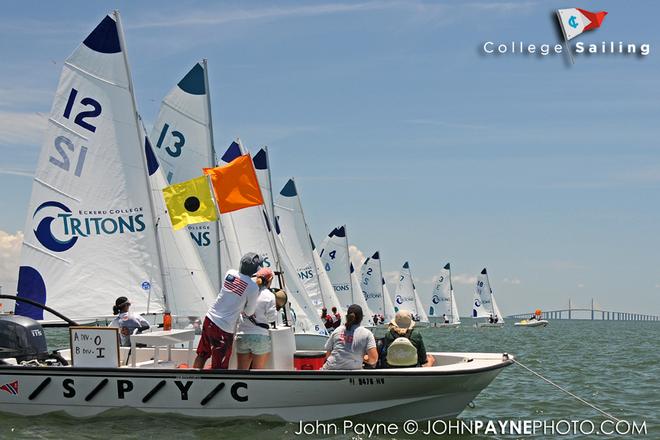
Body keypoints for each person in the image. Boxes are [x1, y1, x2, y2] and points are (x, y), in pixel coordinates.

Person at [193, 252, 261, 369]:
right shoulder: (253, 287)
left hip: (209, 319)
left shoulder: (230, 273)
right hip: (224, 328)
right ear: (255, 271)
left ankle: (192, 380)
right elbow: (249, 312)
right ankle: (216, 386)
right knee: (219, 365)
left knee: (202, 354)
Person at [235, 268, 277, 370]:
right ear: (270, 280)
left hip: (242, 335)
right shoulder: (269, 295)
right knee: (257, 371)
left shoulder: (246, 291)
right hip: (260, 336)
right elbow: (271, 318)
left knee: (241, 370)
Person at [322, 304, 378, 370]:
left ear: (347, 316)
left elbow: (328, 354)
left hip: (328, 371)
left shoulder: (337, 330)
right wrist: (361, 357)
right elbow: (373, 360)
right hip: (351, 374)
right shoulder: (367, 334)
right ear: (361, 318)